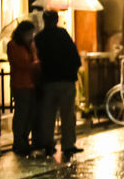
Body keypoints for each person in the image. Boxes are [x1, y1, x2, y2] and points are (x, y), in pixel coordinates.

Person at [34, 9, 83, 155]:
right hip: (65, 79)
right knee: (67, 114)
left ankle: (48, 143)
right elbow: (74, 55)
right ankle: (67, 144)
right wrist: (74, 70)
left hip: (48, 80)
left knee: (48, 114)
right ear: (56, 20)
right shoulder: (62, 34)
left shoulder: (39, 38)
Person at [6, 21, 40, 155]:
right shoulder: (13, 45)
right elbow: (22, 63)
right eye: (29, 33)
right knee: (21, 114)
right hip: (20, 84)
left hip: (31, 83)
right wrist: (36, 64)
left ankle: (25, 139)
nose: (31, 36)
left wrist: (34, 58)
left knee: (30, 114)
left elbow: (34, 59)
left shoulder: (30, 45)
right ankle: (18, 141)